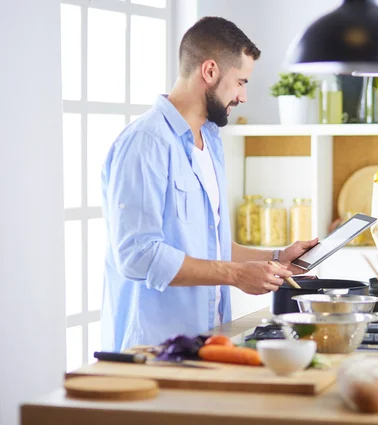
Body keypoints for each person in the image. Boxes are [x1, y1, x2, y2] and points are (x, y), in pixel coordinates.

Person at [100, 16, 318, 352]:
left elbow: (208, 244)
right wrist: (234, 275)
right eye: (241, 82)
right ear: (210, 71)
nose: (243, 96)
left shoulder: (211, 140)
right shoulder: (146, 142)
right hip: (151, 352)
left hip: (207, 342)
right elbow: (137, 255)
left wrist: (276, 259)